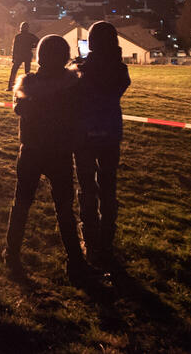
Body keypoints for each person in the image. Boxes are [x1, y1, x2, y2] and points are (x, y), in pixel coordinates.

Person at [2, 35, 87, 279]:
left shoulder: (27, 85)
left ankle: (11, 253)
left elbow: (20, 109)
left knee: (21, 203)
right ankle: (74, 261)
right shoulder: (72, 87)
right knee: (64, 208)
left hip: (30, 151)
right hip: (59, 152)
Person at [74, 21, 131, 272]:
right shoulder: (120, 70)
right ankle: (107, 240)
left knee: (87, 186)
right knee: (109, 186)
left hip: (85, 133)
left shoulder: (82, 70)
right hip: (110, 131)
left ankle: (90, 239)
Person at [7, 22, 39, 91]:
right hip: (27, 55)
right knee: (27, 72)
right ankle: (27, 87)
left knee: (14, 71)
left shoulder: (18, 36)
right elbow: (39, 42)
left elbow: (14, 48)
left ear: (21, 28)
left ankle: (10, 87)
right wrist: (32, 46)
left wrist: (13, 58)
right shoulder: (31, 36)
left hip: (19, 56)